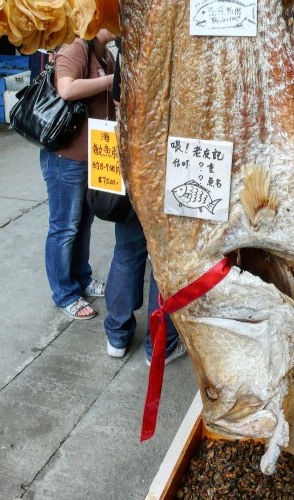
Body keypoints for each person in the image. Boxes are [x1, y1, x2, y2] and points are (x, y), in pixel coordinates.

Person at [104, 44, 186, 366]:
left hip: (135, 156)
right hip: (171, 159)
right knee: (162, 258)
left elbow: (117, 100)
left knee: (127, 249)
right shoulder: (184, 37)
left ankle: (117, 335)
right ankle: (159, 346)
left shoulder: (133, 38)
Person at [40, 30, 115, 320]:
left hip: (92, 155)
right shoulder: (75, 47)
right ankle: (64, 293)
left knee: (83, 223)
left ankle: (82, 278)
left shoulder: (105, 53)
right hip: (65, 158)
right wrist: (111, 81)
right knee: (64, 227)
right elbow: (67, 89)